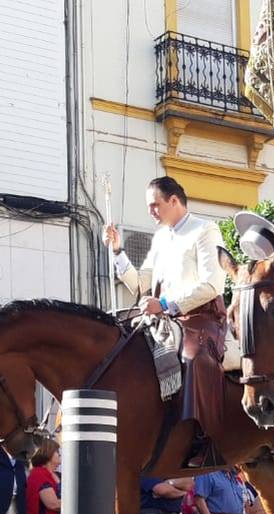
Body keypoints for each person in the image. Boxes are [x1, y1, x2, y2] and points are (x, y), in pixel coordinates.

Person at [101, 175, 228, 467]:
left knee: (193, 357)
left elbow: (213, 284)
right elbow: (139, 284)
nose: (151, 212)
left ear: (174, 200)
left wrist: (166, 304)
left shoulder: (205, 229)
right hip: (163, 316)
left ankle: (206, 438)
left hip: (201, 316)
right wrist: (118, 251)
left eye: (155, 205)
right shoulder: (160, 237)